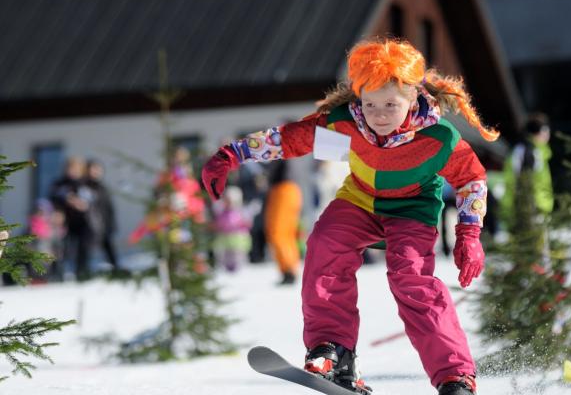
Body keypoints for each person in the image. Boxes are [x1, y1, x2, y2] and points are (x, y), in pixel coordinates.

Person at [202, 39, 495, 395]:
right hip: (359, 201)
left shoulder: (439, 138)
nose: (380, 114)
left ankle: (455, 376)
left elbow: (471, 181)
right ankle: (334, 352)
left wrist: (468, 234)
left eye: (390, 104)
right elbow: (291, 139)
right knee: (326, 244)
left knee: (411, 279)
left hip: (412, 211)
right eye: (370, 104)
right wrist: (232, 154)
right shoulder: (345, 124)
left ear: (414, 96)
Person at [499, 113, 554, 230]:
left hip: (539, 205)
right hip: (530, 207)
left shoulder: (539, 151)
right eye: (544, 131)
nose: (547, 135)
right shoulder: (529, 152)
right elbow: (521, 180)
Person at [50, 156, 94, 281]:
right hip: (65, 223)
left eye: (75, 168)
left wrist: (81, 204)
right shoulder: (60, 184)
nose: (72, 171)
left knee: (83, 249)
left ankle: (82, 273)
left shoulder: (86, 183)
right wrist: (60, 208)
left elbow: (92, 201)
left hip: (83, 222)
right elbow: (53, 198)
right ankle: (57, 274)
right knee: (62, 249)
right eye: (70, 168)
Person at [264, 161, 303, 285]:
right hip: (288, 190)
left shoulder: (279, 146)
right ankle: (289, 269)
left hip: (283, 190)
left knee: (278, 232)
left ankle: (288, 270)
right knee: (286, 234)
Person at [85, 159, 125, 277]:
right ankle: (84, 272)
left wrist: (111, 224)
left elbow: (109, 208)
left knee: (109, 248)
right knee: (88, 250)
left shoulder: (103, 187)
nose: (96, 172)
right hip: (90, 225)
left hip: (105, 224)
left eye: (98, 169)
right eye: (93, 169)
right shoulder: (85, 186)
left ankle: (115, 269)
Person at [211, 186, 252, 272]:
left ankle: (239, 268)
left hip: (238, 238)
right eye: (226, 200)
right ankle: (227, 268)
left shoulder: (240, 211)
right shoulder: (221, 212)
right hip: (225, 238)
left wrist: (242, 224)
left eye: (230, 200)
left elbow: (247, 223)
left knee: (237, 254)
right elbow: (218, 223)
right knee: (225, 254)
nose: (228, 202)